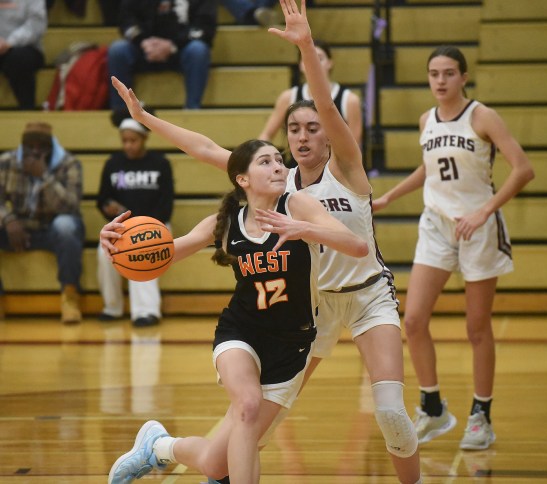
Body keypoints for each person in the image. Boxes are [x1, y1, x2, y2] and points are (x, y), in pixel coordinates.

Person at [109, 0, 422, 481]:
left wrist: (306, 48)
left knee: (392, 414)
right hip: (311, 310)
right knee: (243, 438)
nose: (301, 136)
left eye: (312, 128)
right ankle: (166, 448)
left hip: (366, 298)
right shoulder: (280, 183)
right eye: (292, 129)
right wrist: (146, 118)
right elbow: (207, 149)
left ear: (329, 134)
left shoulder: (347, 168)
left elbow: (325, 104)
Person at [104, 136, 369, 483]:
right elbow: (167, 252)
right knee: (247, 403)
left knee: (217, 465)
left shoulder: (298, 207)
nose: (277, 166)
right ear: (242, 179)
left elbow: (359, 246)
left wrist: (303, 228)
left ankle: (159, 447)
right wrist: (116, 245)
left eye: (279, 160)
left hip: (292, 346)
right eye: (265, 162)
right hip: (240, 333)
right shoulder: (229, 221)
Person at [373, 45, 535, 450]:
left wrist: (485, 211)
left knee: (476, 327)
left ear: (464, 77)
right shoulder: (426, 118)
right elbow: (430, 167)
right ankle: (433, 408)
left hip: (478, 227)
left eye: (448, 73)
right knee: (412, 321)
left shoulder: (482, 116)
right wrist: (390, 197)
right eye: (433, 74)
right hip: (437, 225)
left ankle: (482, 415)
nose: (440, 81)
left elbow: (523, 169)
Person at [0, 121, 85, 323]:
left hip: (52, 229)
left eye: (41, 147)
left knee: (66, 226)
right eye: (30, 147)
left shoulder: (69, 163)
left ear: (50, 147)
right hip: (19, 227)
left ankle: (70, 297)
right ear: (23, 145)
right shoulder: (7, 162)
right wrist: (8, 219)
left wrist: (45, 177)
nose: (35, 152)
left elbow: (70, 206)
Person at [96, 109, 174, 327]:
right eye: (125, 141)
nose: (128, 145)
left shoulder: (160, 164)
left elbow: (166, 204)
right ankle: (112, 307)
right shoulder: (112, 164)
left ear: (144, 138)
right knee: (104, 255)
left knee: (144, 250)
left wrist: (145, 225)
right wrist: (108, 207)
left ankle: (146, 311)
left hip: (155, 224)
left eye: (133, 140)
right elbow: (102, 198)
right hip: (121, 227)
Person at [107, 0, 217, 110]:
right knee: (118, 50)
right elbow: (126, 20)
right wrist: (142, 42)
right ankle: (121, 112)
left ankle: (192, 109)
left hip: (181, 49)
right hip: (144, 48)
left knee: (198, 50)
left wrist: (172, 45)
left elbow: (204, 27)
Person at [258, 37, 363, 149]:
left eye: (319, 58)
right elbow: (266, 135)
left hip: (333, 165)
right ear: (300, 66)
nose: (313, 63)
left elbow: (354, 147)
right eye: (307, 59)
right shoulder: (288, 97)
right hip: (298, 164)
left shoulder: (349, 100)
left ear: (330, 63)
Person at [0, 0, 46, 110]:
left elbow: (36, 25)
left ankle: (27, 111)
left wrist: (9, 42)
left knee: (19, 59)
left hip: (24, 47)